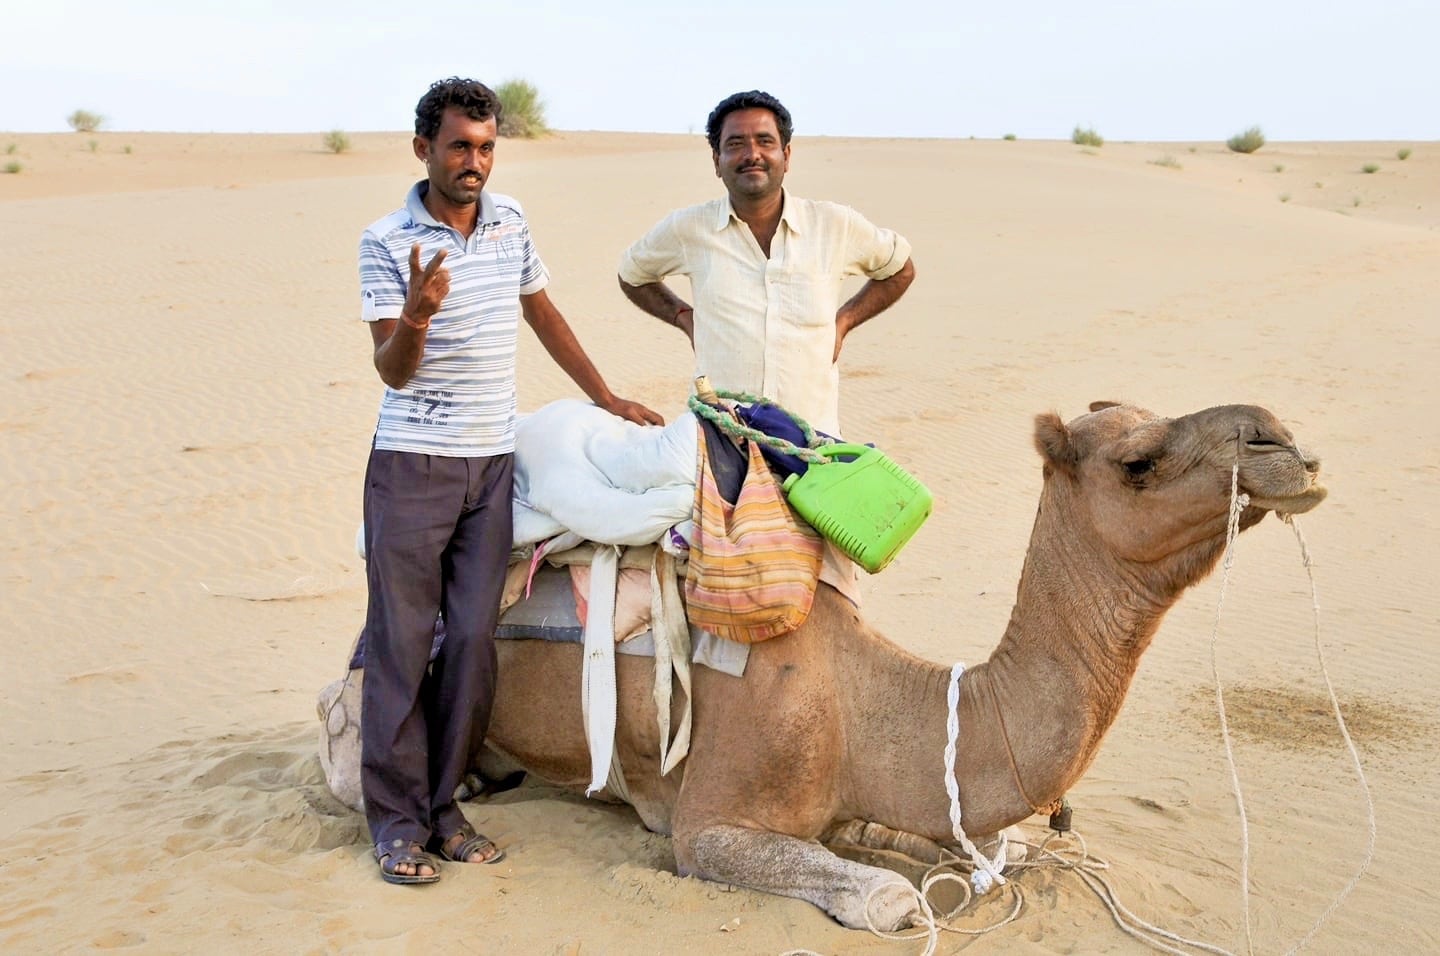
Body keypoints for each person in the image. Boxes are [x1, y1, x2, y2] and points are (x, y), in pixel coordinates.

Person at [358, 77, 662, 885]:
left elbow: (544, 312)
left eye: (486, 147)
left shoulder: (510, 221)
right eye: (459, 145)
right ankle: (394, 824)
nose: (475, 162)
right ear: (423, 148)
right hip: (413, 469)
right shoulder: (386, 241)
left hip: (492, 470)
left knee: (470, 642)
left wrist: (606, 397)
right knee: (399, 647)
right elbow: (392, 372)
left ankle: (444, 809)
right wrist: (418, 314)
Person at [616, 89, 915, 440]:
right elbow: (632, 275)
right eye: (736, 144)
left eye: (764, 141)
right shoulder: (689, 228)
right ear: (717, 160)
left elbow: (898, 270)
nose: (752, 154)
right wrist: (684, 317)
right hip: (721, 443)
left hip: (813, 442)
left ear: (786, 155)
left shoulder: (834, 225)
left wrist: (845, 320)